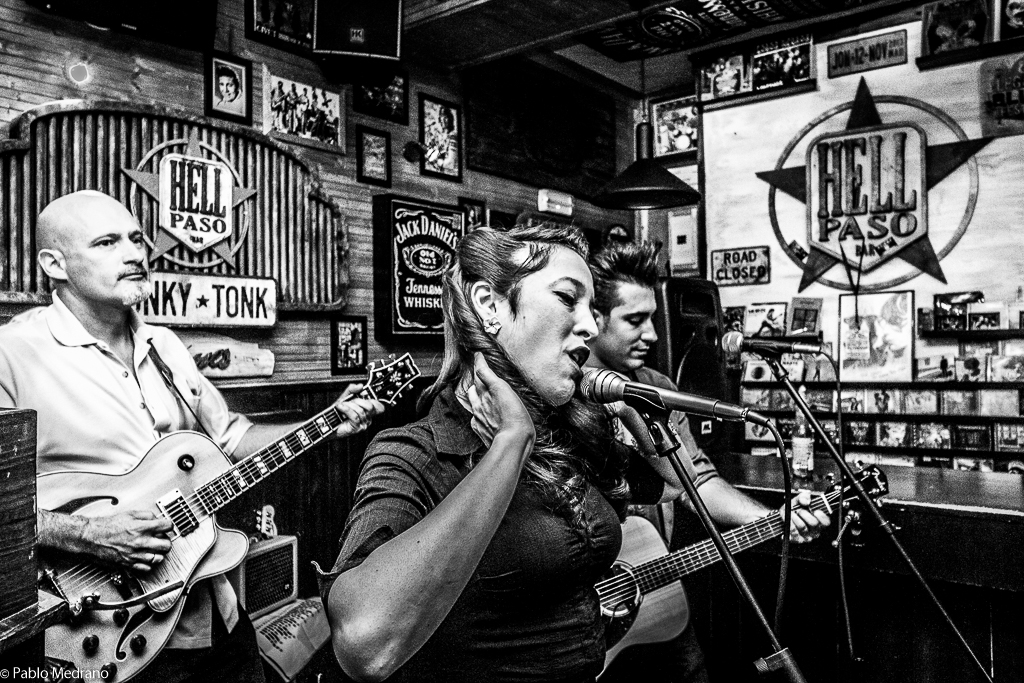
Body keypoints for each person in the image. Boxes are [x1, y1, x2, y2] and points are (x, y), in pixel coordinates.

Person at [0, 190, 384, 683]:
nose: (135, 254)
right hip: (98, 630)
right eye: (107, 242)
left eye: (137, 239)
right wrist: (89, 534)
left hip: (212, 608)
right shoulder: (13, 353)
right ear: (55, 264)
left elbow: (229, 440)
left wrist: (327, 423)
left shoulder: (165, 345)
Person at [319, 222, 696, 683]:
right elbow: (365, 646)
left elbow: (673, 483)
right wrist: (511, 441)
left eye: (592, 308)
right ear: (488, 304)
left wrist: (627, 404)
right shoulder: (415, 453)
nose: (590, 326)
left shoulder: (565, 433)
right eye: (567, 298)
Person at [585, 241, 831, 683]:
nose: (652, 335)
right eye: (635, 320)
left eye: (653, 319)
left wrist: (772, 518)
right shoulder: (563, 389)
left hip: (651, 594)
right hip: (582, 615)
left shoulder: (657, 388)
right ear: (594, 318)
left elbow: (695, 481)